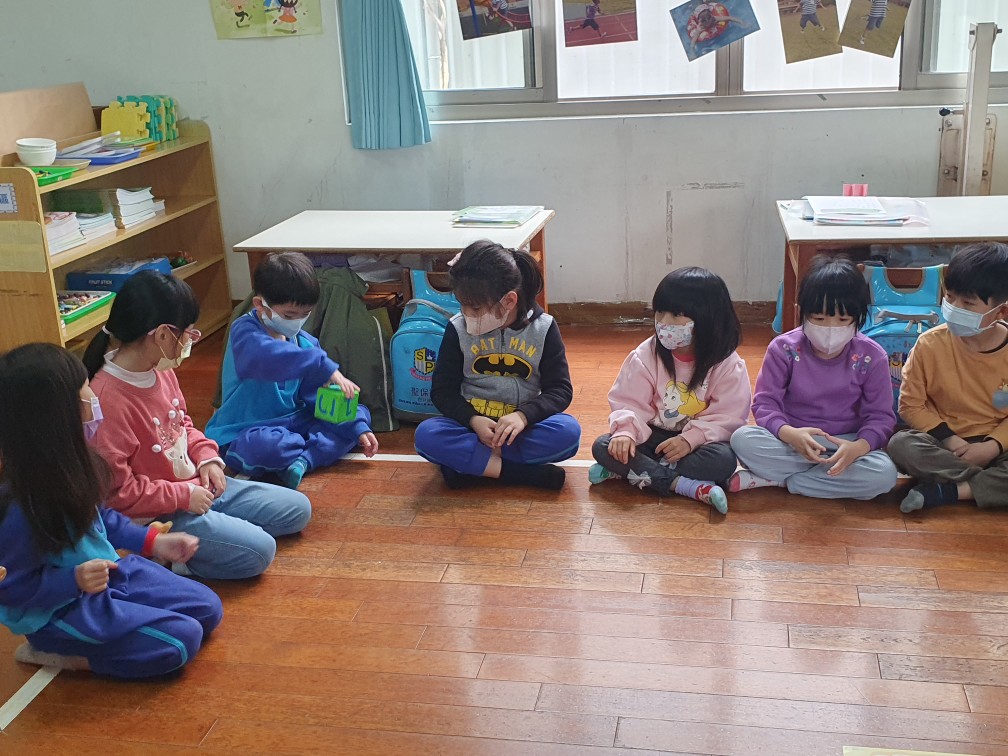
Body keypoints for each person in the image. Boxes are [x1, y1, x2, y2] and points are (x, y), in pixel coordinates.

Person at [0, 343, 222, 677]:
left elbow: (100, 518)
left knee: (208, 609)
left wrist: (153, 542)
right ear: (55, 418)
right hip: (62, 611)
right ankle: (58, 653)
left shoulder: (76, 464)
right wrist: (73, 580)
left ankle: (123, 622)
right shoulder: (18, 507)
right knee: (180, 642)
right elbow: (11, 589)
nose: (93, 398)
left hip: (108, 577)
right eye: (83, 392)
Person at [83, 271, 311, 581]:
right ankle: (165, 556)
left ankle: (223, 532)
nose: (191, 339)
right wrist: (184, 496)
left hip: (195, 488)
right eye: (189, 332)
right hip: (157, 514)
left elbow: (183, 425)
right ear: (163, 335)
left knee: (298, 509)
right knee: (260, 551)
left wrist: (207, 458)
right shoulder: (106, 399)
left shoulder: (158, 368)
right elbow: (118, 495)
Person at [414, 240, 581, 490]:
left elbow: (560, 390)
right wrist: (473, 420)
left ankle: (474, 467)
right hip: (472, 428)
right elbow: (442, 391)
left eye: (475, 308)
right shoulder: (458, 328)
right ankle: (520, 474)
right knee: (427, 435)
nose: (466, 314)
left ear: (509, 301)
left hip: (519, 430)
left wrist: (523, 416)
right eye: (462, 305)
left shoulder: (544, 328)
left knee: (568, 433)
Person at [206, 251, 378, 490]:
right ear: (260, 305)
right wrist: (324, 365)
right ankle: (307, 450)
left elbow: (316, 397)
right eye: (289, 315)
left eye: (305, 314)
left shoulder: (305, 343)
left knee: (358, 415)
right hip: (246, 428)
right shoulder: (243, 332)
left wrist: (355, 425)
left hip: (294, 424)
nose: (297, 321)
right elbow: (269, 356)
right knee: (268, 446)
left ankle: (303, 461)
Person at [730, 256, 898, 500]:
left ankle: (781, 481)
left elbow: (881, 417)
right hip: (793, 440)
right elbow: (765, 404)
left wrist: (858, 447)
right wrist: (789, 433)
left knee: (884, 474)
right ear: (802, 312)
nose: (830, 328)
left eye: (843, 320)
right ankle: (817, 480)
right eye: (819, 319)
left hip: (845, 443)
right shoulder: (784, 348)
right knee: (742, 439)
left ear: (859, 317)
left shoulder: (872, 356)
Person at [589, 268, 750, 514]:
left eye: (676, 314)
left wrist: (690, 439)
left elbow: (729, 417)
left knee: (723, 460)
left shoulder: (727, 363)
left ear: (708, 317)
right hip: (651, 436)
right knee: (603, 445)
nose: (664, 322)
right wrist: (626, 433)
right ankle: (683, 486)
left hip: (696, 443)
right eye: (660, 312)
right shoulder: (646, 354)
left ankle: (635, 471)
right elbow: (628, 402)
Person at [888, 243, 1008, 513]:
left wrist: (992, 447)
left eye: (968, 303)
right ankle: (985, 486)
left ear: (1001, 312)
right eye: (950, 297)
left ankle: (950, 491)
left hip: (997, 445)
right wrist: (952, 441)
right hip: (943, 443)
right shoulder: (929, 344)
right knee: (901, 445)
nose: (954, 308)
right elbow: (910, 405)